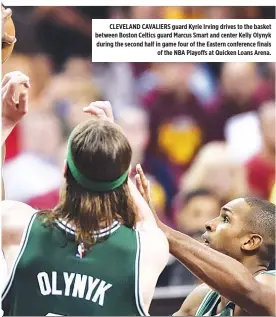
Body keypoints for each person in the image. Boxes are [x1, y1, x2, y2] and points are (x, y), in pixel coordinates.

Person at [1, 71, 169, 316]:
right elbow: (149, 222)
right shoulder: (145, 250)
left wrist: (5, 123)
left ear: (66, 169)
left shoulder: (19, 227)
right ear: (121, 175)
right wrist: (112, 146)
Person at [135, 165, 276, 316]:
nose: (209, 224)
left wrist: (163, 231)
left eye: (226, 219)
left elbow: (248, 288)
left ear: (250, 242)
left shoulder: (270, 285)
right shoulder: (201, 298)